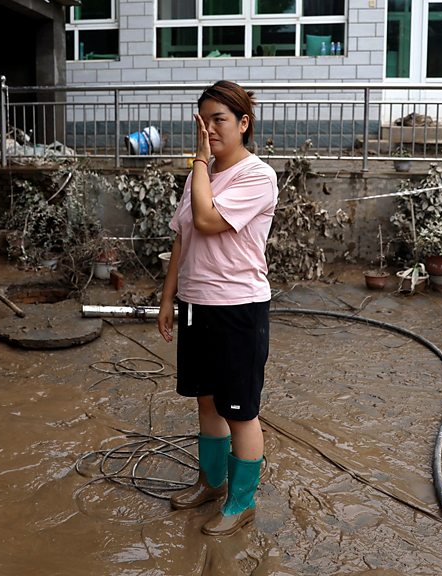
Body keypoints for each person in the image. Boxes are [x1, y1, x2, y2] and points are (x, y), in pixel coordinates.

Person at [158, 80, 278, 536]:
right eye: (203, 121)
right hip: (195, 304)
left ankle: (241, 502)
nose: (209, 130)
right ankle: (211, 483)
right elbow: (183, 236)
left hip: (236, 307)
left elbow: (208, 221)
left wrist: (201, 161)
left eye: (219, 120)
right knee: (206, 400)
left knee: (239, 409)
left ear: (243, 124)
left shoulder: (256, 175)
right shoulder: (198, 176)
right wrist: (169, 296)